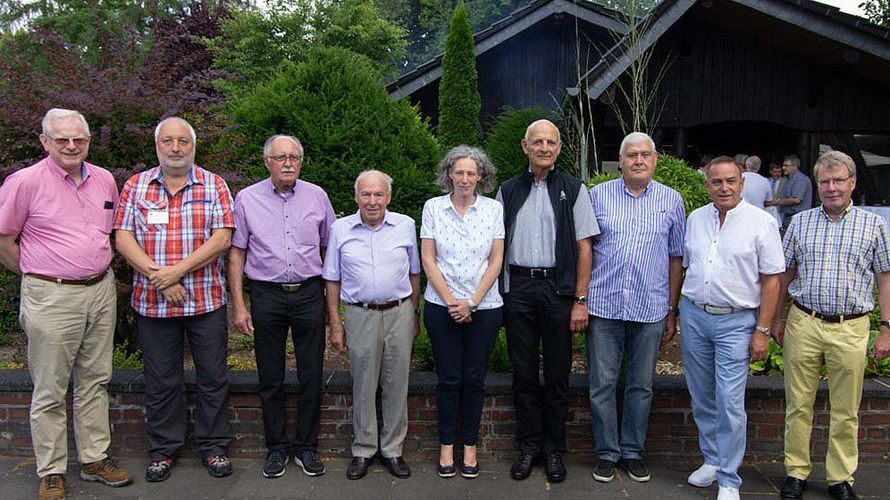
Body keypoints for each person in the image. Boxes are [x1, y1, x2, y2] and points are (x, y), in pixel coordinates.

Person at [0, 109, 133, 500]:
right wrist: (37, 275)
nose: (72, 146)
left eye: (79, 139)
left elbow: (108, 234)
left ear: (89, 140)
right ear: (45, 141)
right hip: (51, 295)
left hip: (100, 290)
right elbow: (5, 240)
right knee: (50, 387)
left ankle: (94, 459)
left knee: (95, 380)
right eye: (62, 140)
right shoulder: (23, 183)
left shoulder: (105, 180)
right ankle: (52, 470)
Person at [114, 117, 235, 482]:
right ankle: (163, 451)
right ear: (157, 145)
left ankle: (214, 448)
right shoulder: (136, 186)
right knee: (161, 380)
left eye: (183, 140)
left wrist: (176, 271)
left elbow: (222, 238)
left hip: (205, 302)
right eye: (168, 141)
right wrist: (160, 278)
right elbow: (122, 238)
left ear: (193, 146)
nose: (176, 147)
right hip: (154, 303)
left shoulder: (214, 185)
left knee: (213, 377)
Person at [772, 151, 890, 500]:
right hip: (804, 321)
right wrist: (776, 318)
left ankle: (841, 478)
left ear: (852, 183)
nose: (831, 187)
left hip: (850, 327)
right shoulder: (801, 222)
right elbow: (784, 274)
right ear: (817, 185)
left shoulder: (873, 225)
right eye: (825, 181)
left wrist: (887, 327)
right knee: (798, 403)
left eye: (838, 180)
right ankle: (796, 471)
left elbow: (885, 277)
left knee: (846, 409)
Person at [496, 119, 599, 483]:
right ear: (525, 147)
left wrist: (580, 300)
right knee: (523, 375)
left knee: (557, 376)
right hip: (519, 289)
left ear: (558, 148)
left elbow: (585, 247)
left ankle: (554, 451)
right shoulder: (507, 190)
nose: (544, 148)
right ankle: (528, 448)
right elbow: (495, 248)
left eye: (550, 142)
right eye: (537, 142)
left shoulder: (573, 189)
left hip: (558, 291)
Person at [228, 134, 336, 479]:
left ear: (301, 162)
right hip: (266, 295)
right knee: (270, 376)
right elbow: (237, 253)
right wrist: (239, 304)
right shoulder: (246, 199)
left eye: (294, 157)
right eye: (280, 157)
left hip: (308, 293)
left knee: (311, 374)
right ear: (266, 162)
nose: (288, 162)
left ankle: (306, 447)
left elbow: (331, 249)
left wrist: (333, 307)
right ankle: (276, 447)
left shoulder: (317, 196)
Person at [680, 156, 784, 500]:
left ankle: (728, 478)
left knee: (729, 401)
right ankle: (711, 459)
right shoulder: (695, 219)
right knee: (701, 395)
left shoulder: (761, 222)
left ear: (742, 183)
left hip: (737, 322)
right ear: (707, 184)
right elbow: (686, 265)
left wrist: (763, 330)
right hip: (695, 315)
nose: (723, 187)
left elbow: (772, 281)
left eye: (730, 181)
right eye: (716, 181)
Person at [587, 132, 685, 484]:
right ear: (621, 160)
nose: (639, 160)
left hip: (650, 307)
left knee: (641, 385)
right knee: (602, 384)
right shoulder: (597, 196)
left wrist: (672, 309)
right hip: (604, 305)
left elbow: (676, 258)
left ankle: (632, 451)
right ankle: (606, 453)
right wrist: (581, 300)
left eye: (645, 154)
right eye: (632, 155)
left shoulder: (672, 200)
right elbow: (585, 251)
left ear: (655, 159)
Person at [323, 170, 419, 480]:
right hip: (359, 314)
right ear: (356, 197)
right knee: (363, 383)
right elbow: (332, 279)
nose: (373, 201)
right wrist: (335, 323)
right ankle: (363, 449)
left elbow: (415, 273)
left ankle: (392, 450)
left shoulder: (405, 225)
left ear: (388, 197)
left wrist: (414, 314)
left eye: (379, 194)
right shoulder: (341, 229)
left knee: (396, 382)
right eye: (366, 194)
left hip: (399, 312)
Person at [420, 146, 504, 479]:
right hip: (442, 307)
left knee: (474, 379)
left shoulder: (493, 209)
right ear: (449, 174)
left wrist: (471, 301)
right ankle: (445, 447)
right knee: (449, 379)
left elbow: (496, 260)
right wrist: (454, 301)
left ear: (481, 176)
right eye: (459, 172)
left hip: (485, 308)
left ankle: (469, 446)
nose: (465, 179)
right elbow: (429, 259)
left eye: (472, 173)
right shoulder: (433, 208)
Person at [769, 155, 812, 231]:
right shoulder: (788, 180)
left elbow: (796, 199)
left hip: (797, 219)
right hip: (788, 219)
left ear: (795, 166)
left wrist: (777, 202)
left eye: (786, 166)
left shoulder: (800, 179)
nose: (783, 168)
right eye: (783, 165)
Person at [766, 161, 786, 226]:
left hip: (780, 211)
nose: (777, 174)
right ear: (770, 172)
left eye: (779, 172)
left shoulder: (785, 181)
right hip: (768, 210)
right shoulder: (765, 181)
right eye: (775, 172)